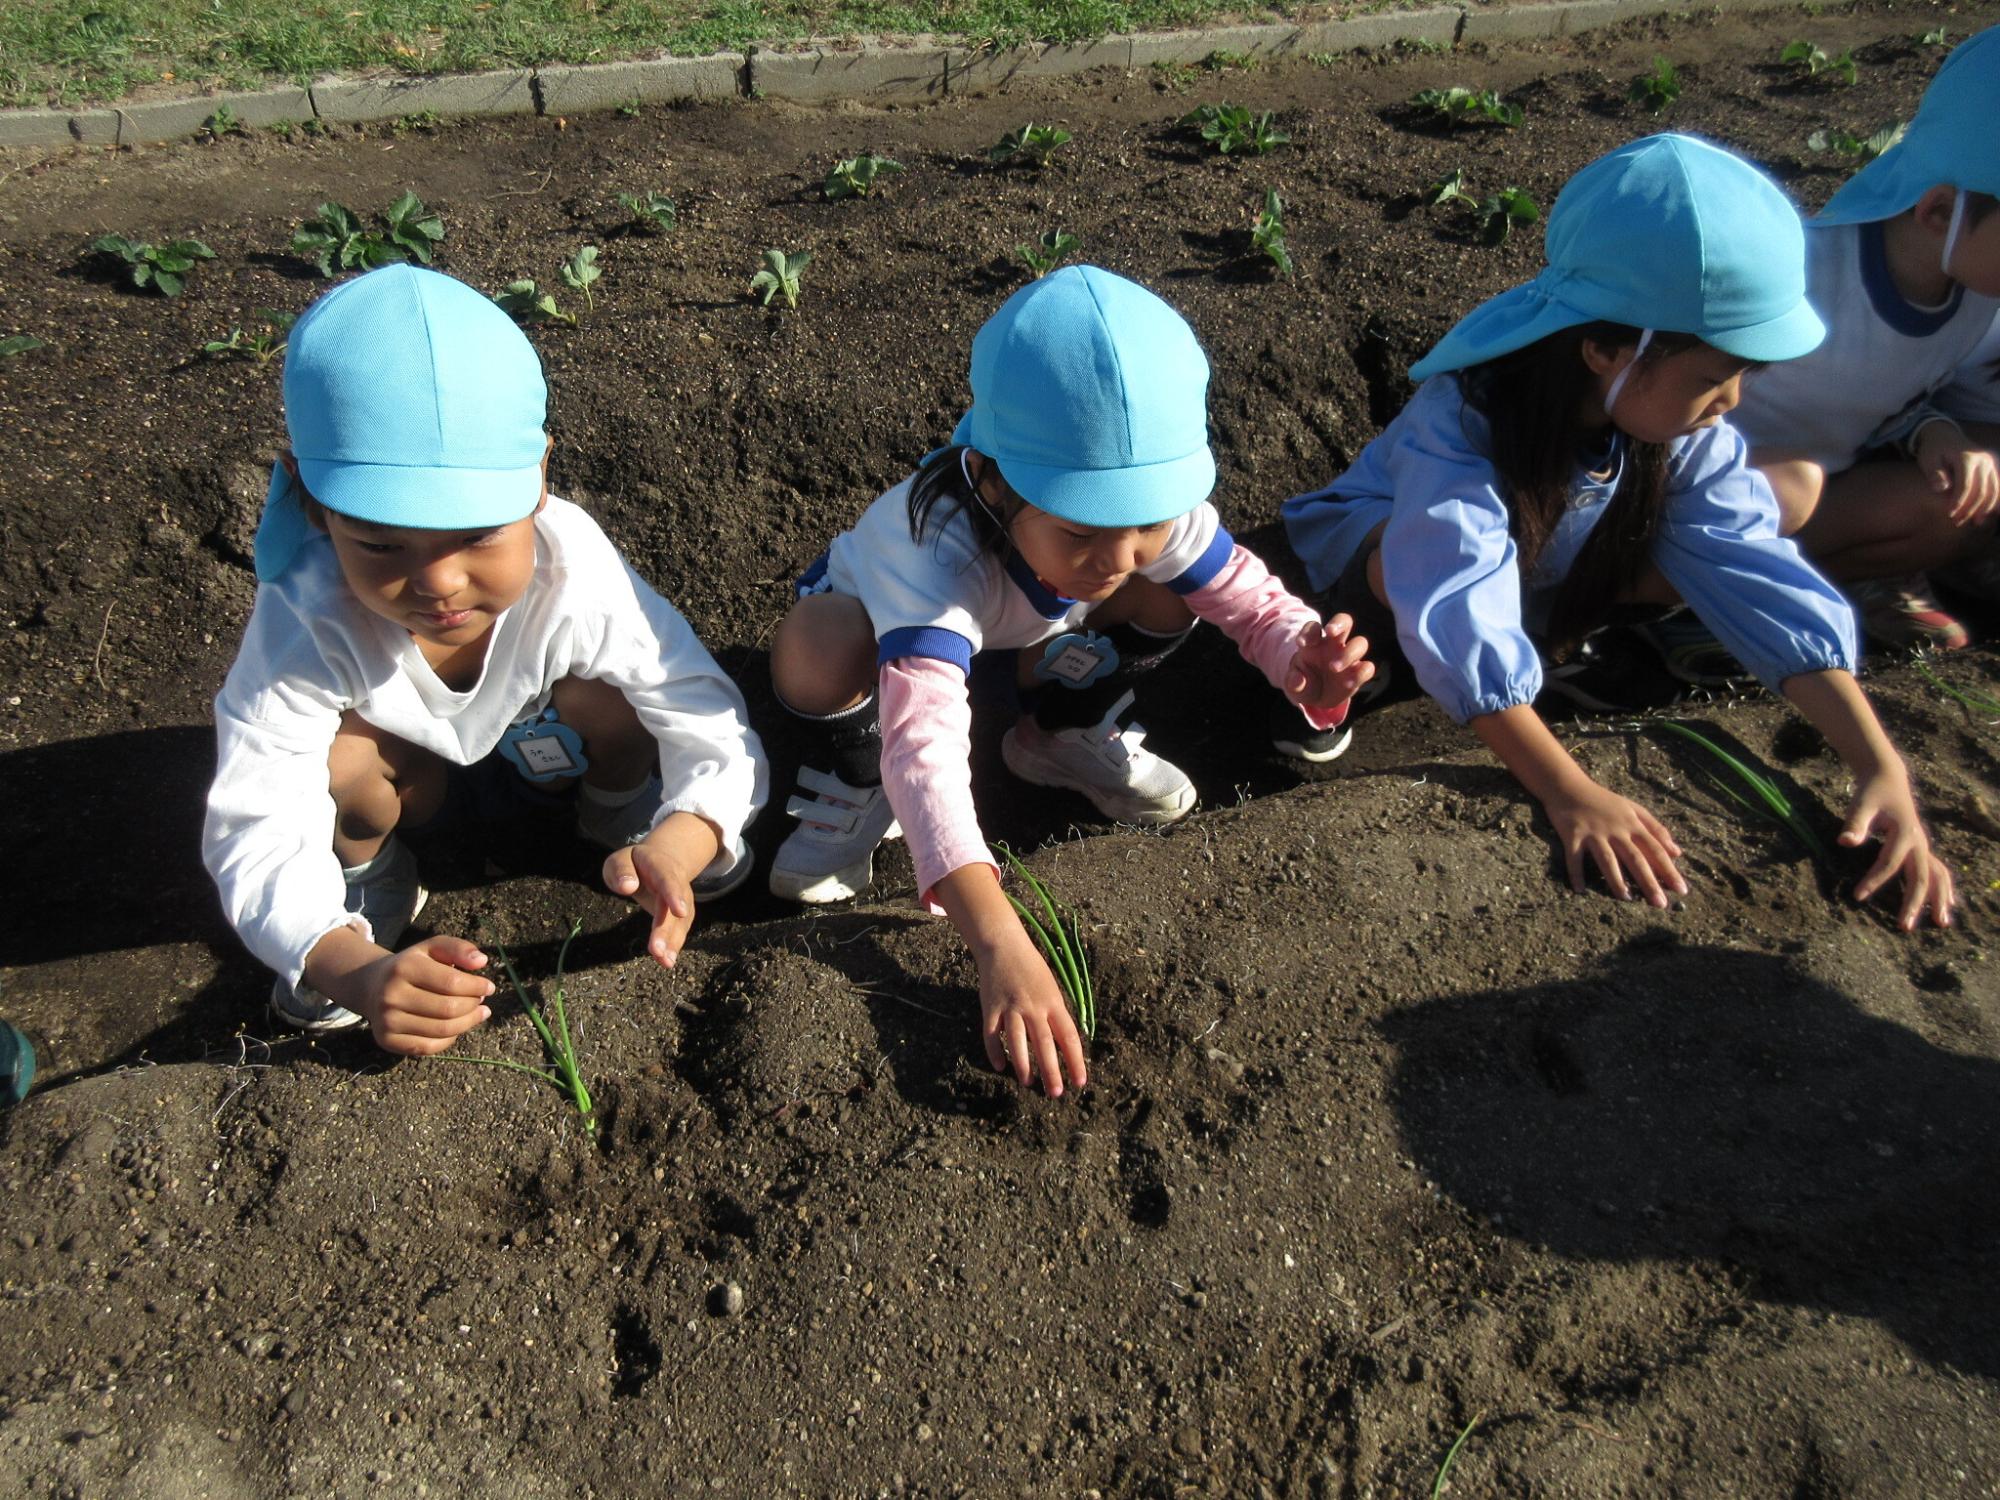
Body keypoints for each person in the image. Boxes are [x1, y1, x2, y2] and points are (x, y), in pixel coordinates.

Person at [1281, 134, 1953, 929]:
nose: (1733, 400)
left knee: (1738, 521)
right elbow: (1454, 598)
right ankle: (1375, 669)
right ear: (1604, 349)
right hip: (1380, 575)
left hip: (1539, 570)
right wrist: (1570, 790)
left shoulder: (1677, 429)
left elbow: (1751, 570)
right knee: (1408, 569)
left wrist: (1880, 765)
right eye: (1714, 377)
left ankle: (1558, 651)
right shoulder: (1464, 425)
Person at [765, 266, 1373, 1097]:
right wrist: (997, 939)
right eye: (1086, 528)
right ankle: (856, 778)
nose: (1119, 553)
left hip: (1024, 638)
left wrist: (1305, 661)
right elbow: (927, 747)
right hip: (885, 648)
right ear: (993, 481)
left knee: (1170, 582)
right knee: (817, 647)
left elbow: (1248, 600)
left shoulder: (1135, 516)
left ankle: (1055, 728)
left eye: (1144, 521)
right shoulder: (929, 552)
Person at [203, 265, 767, 1055]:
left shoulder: (575, 574)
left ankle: (617, 814)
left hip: (543, 746)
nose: (438, 582)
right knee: (340, 764)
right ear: (308, 499)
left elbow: (700, 707)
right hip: (411, 780)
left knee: (620, 701)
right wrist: (348, 966)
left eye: (475, 535)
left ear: (538, 477)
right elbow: (257, 815)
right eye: (379, 542)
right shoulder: (305, 613)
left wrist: (688, 834)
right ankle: (368, 876)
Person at [1729, 25, 2000, 649]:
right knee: (1785, 488)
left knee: (1948, 504)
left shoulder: (1972, 291)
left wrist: (1931, 432)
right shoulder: (1802, 276)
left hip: (1817, 492)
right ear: (1937, 213)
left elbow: (1884, 395)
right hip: (1704, 490)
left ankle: (1823, 579)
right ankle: (1671, 597)